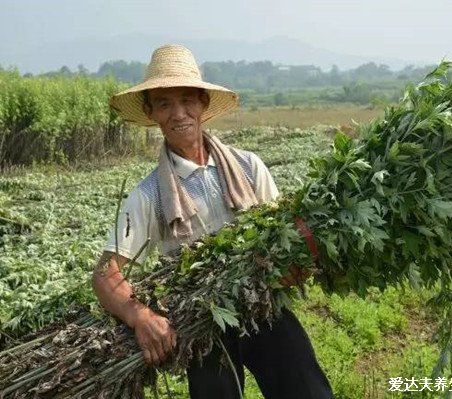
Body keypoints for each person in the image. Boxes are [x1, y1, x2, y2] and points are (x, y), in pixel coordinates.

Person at [91, 44, 333, 399]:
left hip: (264, 307)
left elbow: (286, 238)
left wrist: (295, 265)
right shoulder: (148, 196)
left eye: (188, 99)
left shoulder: (249, 168)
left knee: (307, 391)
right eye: (164, 104)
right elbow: (104, 273)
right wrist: (140, 317)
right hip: (203, 325)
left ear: (203, 102)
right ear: (151, 113)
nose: (178, 114)